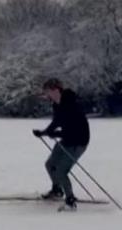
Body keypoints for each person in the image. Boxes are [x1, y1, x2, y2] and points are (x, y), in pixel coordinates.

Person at [32, 78, 90, 210]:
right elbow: (57, 122)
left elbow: (74, 130)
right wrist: (44, 132)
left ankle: (70, 200)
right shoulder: (57, 104)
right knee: (50, 164)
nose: (46, 94)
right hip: (67, 140)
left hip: (78, 142)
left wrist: (56, 134)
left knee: (61, 171)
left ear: (56, 90)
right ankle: (57, 191)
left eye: (47, 91)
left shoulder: (72, 105)